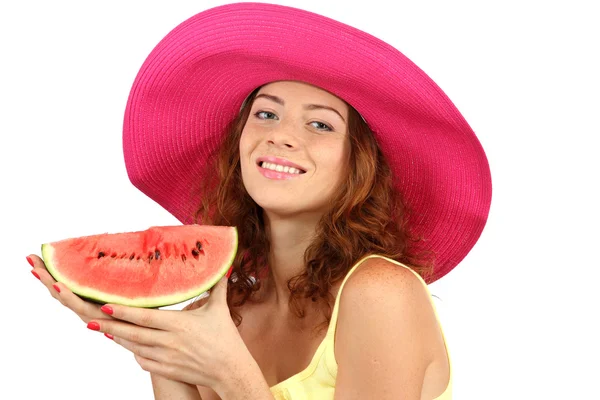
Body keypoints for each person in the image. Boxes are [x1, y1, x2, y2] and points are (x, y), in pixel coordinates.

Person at [27, 2, 491, 399]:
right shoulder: (221, 313)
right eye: (266, 113)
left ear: (360, 164)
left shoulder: (379, 292)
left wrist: (231, 375)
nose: (280, 137)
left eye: (321, 124)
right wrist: (154, 345)